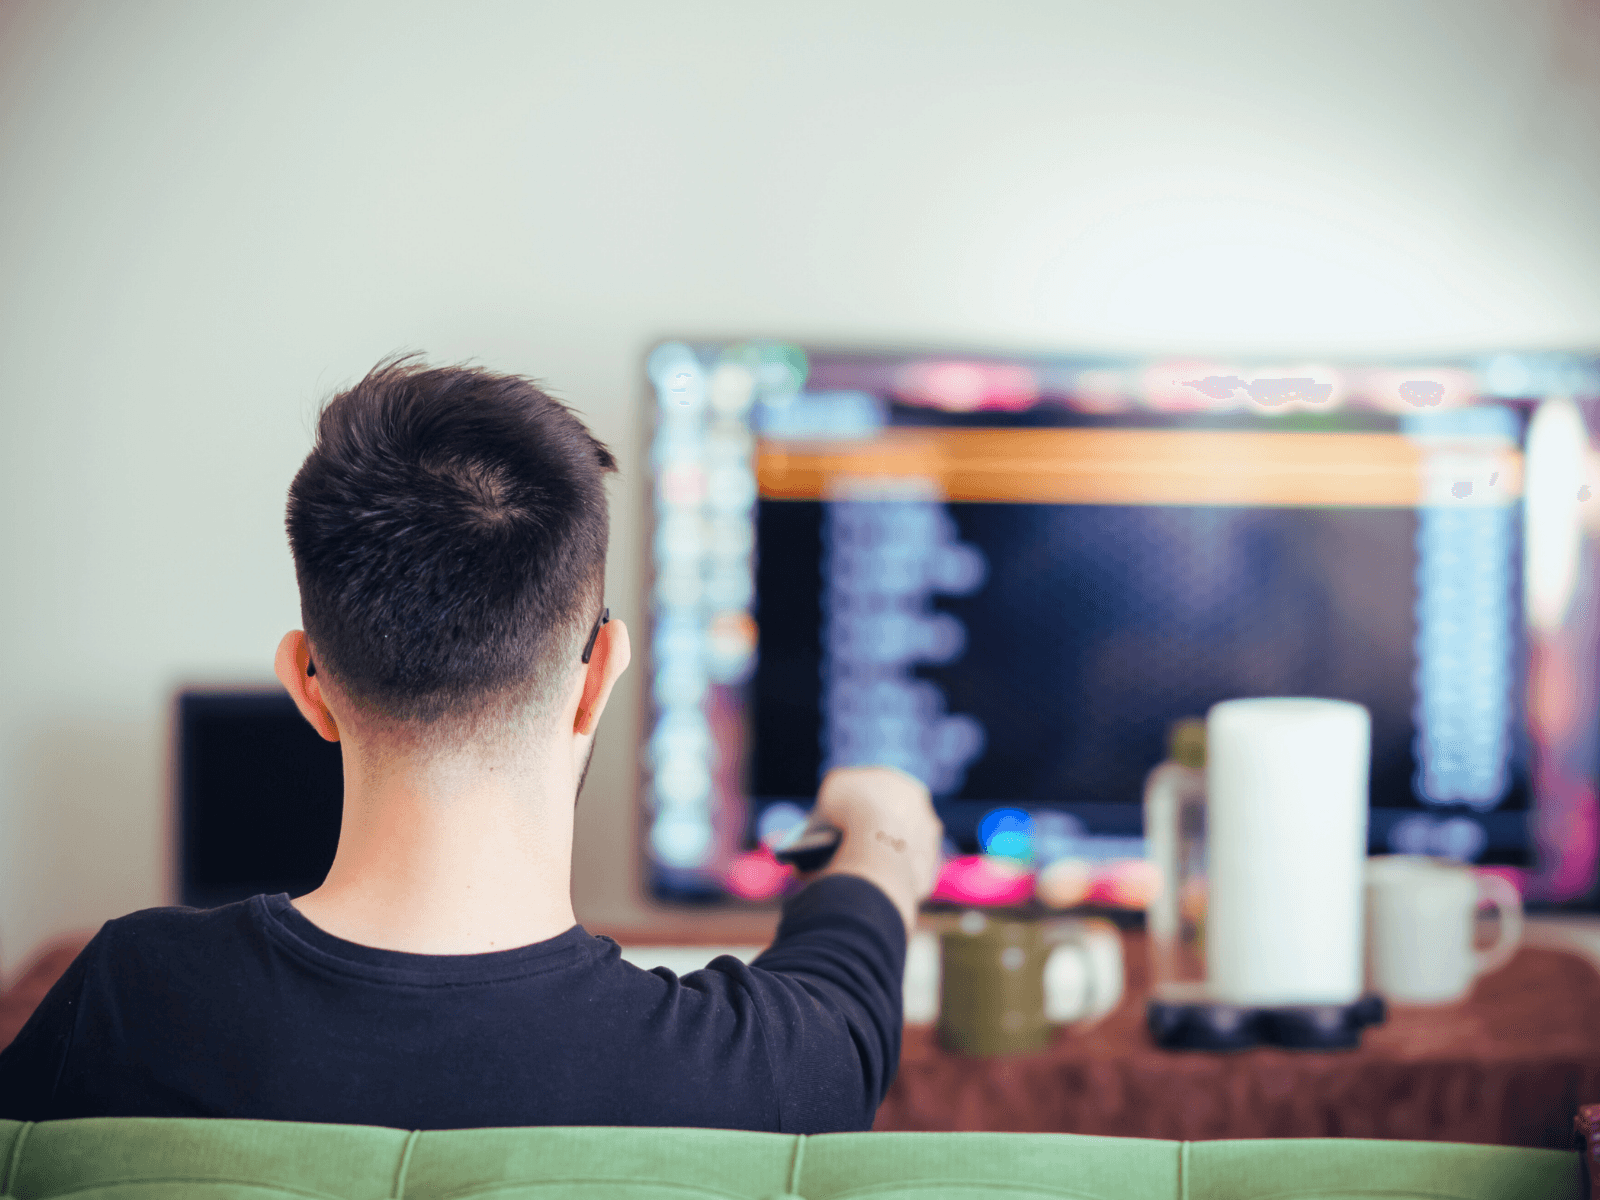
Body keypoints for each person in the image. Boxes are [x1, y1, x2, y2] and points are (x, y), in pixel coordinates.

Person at [0, 355, 944, 1131]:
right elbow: (850, 987)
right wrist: (879, 825)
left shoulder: (131, 1004)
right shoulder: (770, 1073)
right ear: (599, 676)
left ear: (306, 684)